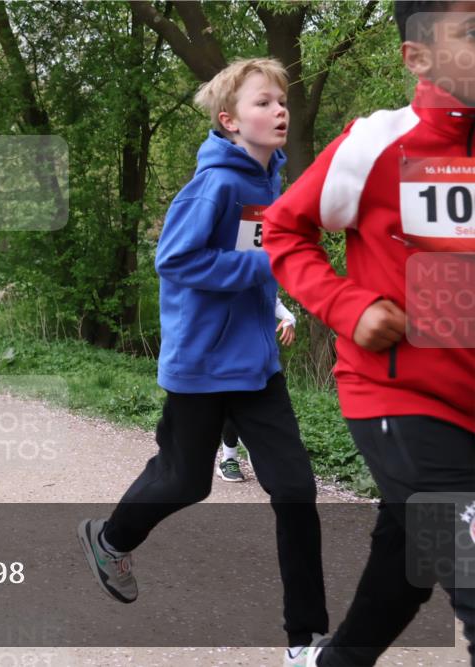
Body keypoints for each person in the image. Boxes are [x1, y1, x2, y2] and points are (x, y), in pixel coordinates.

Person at [76, 57, 329, 666]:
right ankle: (110, 540)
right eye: (263, 102)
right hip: (202, 364)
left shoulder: (274, 181)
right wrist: (272, 268)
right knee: (185, 479)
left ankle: (303, 642)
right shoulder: (215, 182)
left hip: (257, 365)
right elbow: (178, 261)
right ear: (229, 120)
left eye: (281, 101)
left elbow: (257, 252)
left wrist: (278, 302)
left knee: (295, 489)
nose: (279, 110)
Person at [262, 3, 475, 665]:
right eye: (472, 32)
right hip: (403, 401)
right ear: (419, 58)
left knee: (405, 566)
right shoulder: (378, 142)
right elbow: (282, 229)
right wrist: (347, 306)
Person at [218, 296, 298, 482]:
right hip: (227, 357)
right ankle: (229, 459)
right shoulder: (221, 278)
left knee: (262, 406)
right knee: (231, 404)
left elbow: (277, 305)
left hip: (260, 358)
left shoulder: (260, 281)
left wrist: (289, 320)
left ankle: (259, 451)